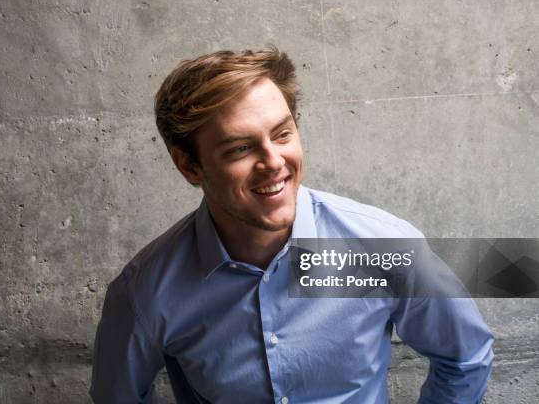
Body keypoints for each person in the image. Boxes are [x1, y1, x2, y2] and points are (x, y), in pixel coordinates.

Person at [90, 48, 493, 403]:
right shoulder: (143, 291)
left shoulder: (385, 246)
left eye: (282, 134)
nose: (273, 162)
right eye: (241, 148)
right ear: (189, 165)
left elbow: (466, 355)